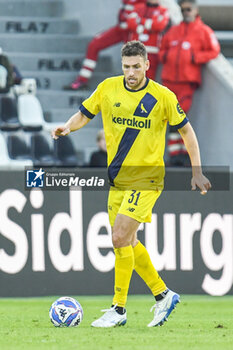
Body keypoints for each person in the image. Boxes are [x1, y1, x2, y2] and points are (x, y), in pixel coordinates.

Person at [52, 40, 211, 328]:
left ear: (147, 65)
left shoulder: (162, 96)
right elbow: (85, 114)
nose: (131, 73)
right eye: (126, 67)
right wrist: (67, 126)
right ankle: (162, 295)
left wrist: (196, 171)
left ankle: (119, 309)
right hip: (117, 179)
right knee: (126, 241)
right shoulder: (108, 88)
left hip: (147, 178)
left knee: (118, 238)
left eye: (137, 67)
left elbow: (187, 132)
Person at [159, 0, 220, 166]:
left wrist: (195, 58)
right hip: (169, 81)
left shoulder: (203, 31)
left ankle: (183, 153)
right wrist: (165, 56)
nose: (185, 12)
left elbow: (214, 50)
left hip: (186, 82)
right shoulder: (173, 31)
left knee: (180, 117)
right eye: (182, 9)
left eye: (188, 9)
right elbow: (162, 48)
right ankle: (175, 154)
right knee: (172, 118)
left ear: (195, 10)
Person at [64, 0, 146, 91]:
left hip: (133, 31)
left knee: (134, 59)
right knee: (94, 45)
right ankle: (82, 80)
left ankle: (135, 89)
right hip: (121, 29)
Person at [127, 0, 170, 80]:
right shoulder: (138, 8)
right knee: (132, 79)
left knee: (148, 81)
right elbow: (130, 23)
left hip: (152, 52)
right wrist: (150, 25)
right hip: (134, 51)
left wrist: (141, 22)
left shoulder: (163, 10)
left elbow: (160, 25)